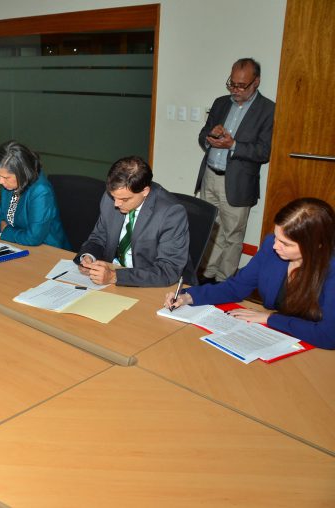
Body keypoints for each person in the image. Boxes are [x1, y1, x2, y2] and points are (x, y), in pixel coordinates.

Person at [166, 198, 335, 350]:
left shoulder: (331, 269)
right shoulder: (271, 247)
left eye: (286, 243)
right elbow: (236, 287)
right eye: (276, 237)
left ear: (316, 245)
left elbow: (328, 336)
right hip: (276, 340)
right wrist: (188, 296)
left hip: (314, 348)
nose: (275, 245)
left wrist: (270, 319)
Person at [195, 58, 275, 283]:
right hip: (210, 175)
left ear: (256, 82)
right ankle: (206, 275)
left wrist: (233, 145)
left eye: (242, 85)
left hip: (238, 182)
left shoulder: (268, 110)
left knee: (232, 235)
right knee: (210, 229)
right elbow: (203, 136)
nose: (235, 90)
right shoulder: (221, 103)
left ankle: (224, 281)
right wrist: (211, 137)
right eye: (232, 83)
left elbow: (264, 152)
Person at [74, 156, 190, 287]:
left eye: (125, 199)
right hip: (112, 277)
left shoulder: (171, 213)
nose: (116, 204)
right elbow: (98, 237)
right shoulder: (112, 197)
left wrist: (114, 276)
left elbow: (168, 270)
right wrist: (89, 257)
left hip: (151, 284)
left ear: (145, 191)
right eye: (114, 197)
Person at [0, 141, 69, 249]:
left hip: (48, 250)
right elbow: (3, 217)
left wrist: (6, 231)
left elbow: (34, 238)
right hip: (18, 244)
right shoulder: (11, 184)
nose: (0, 181)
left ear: (22, 172)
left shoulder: (41, 192)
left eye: (5, 177)